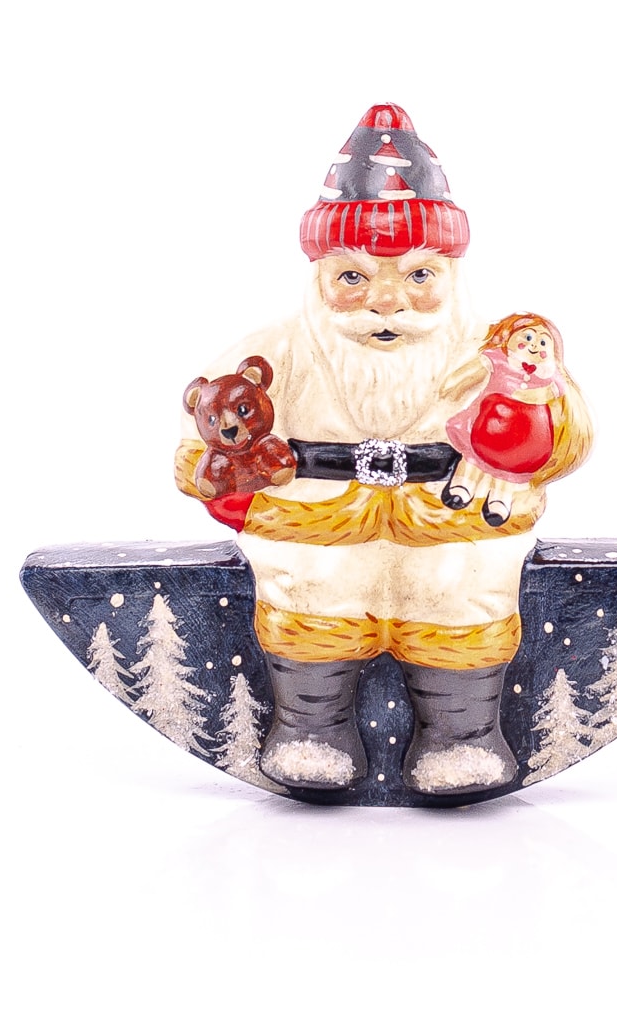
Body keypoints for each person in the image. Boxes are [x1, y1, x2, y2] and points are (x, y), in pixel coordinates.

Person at [174, 104, 592, 796]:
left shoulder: (494, 346)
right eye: (354, 278)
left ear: (450, 273)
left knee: (462, 593)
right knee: (311, 593)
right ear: (320, 276)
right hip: (318, 516)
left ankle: (463, 737)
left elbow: (563, 424)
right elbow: (205, 427)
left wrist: (536, 438)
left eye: (419, 277)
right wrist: (223, 475)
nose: (387, 301)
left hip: (448, 514)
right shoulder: (279, 348)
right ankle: (310, 730)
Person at [442, 313, 569, 527]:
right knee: (474, 456)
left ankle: (499, 500)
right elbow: (469, 376)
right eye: (528, 337)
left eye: (543, 342)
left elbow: (561, 399)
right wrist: (453, 387)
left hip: (525, 442)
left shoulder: (550, 377)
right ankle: (463, 485)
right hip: (487, 426)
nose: (534, 345)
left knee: (508, 470)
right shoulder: (499, 361)